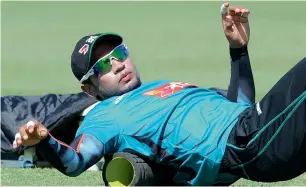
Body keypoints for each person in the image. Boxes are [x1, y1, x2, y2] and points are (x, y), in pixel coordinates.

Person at [13, 2, 306, 186]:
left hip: (252, 133)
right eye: (103, 65)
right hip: (246, 145)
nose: (118, 65)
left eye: (119, 53)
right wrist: (45, 140)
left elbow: (241, 108)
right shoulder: (105, 117)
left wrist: (238, 50)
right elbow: (75, 162)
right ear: (89, 88)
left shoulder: (161, 86)